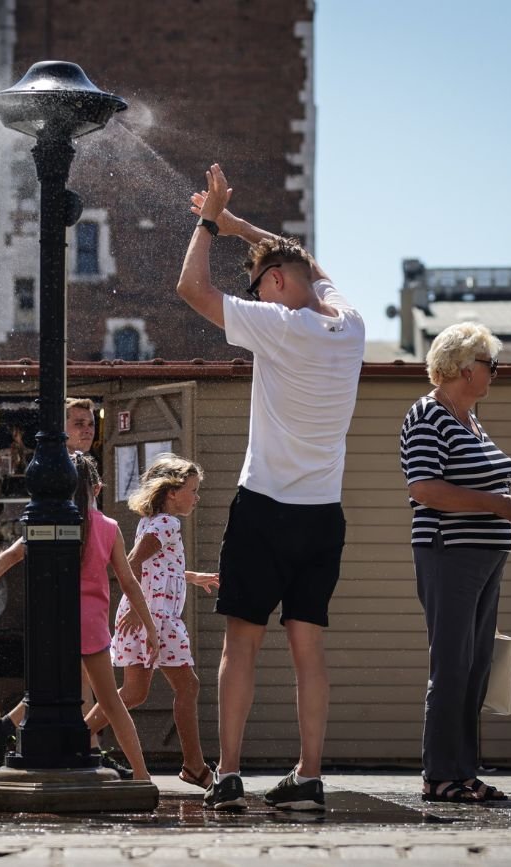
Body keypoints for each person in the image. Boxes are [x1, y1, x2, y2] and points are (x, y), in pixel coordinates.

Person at [183, 163, 365, 812]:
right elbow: (310, 266)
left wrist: (211, 224)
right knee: (308, 646)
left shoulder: (280, 325)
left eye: (260, 284)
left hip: (263, 507)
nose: (256, 295)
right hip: (323, 515)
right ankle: (308, 775)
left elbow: (191, 287)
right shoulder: (351, 324)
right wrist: (241, 229)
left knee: (242, 640)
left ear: (276, 283)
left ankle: (228, 773)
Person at [0, 451, 161, 782]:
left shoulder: (48, 521)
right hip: (92, 627)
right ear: (95, 490)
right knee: (111, 703)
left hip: (53, 623)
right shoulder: (108, 528)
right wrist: (150, 627)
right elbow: (129, 582)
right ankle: (142, 776)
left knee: (44, 696)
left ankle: (21, 742)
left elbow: (11, 556)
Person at [399, 323, 511, 803]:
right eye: (491, 366)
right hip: (448, 552)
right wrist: (496, 505)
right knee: (451, 665)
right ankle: (439, 775)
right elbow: (424, 488)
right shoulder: (430, 415)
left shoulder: (469, 418)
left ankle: (464, 771)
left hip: (483, 555)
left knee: (475, 666)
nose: (495, 374)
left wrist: (496, 507)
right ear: (467, 369)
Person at [0, 397, 104, 770]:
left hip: (83, 587)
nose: (87, 428)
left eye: (90, 422)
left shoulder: (81, 472)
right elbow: (24, 544)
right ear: (59, 432)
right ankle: (89, 749)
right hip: (64, 588)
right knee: (78, 677)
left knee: (75, 678)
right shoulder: (54, 473)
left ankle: (9, 728)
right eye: (78, 422)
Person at [82, 453, 219, 789]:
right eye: (193, 490)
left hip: (144, 615)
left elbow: (159, 569)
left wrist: (192, 576)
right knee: (188, 687)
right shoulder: (168, 524)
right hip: (156, 619)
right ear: (172, 492)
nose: (196, 496)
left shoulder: (152, 522)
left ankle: (72, 739)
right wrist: (132, 605)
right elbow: (129, 563)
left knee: (132, 693)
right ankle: (194, 766)